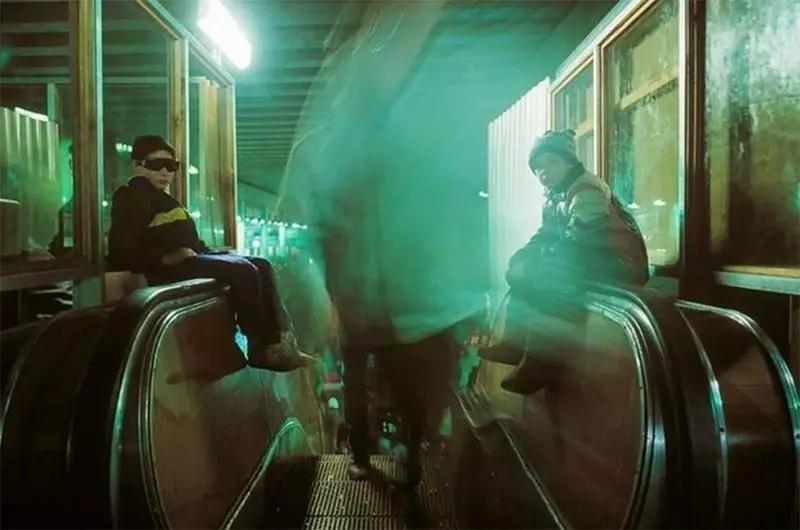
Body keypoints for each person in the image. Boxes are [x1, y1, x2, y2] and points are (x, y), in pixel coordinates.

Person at [107, 135, 314, 372]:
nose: (165, 172)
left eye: (171, 166)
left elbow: (185, 239)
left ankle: (279, 343)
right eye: (156, 165)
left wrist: (212, 253)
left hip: (187, 259)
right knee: (244, 271)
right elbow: (124, 246)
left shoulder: (161, 198)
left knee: (261, 264)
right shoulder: (133, 195)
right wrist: (165, 259)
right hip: (169, 268)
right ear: (136, 165)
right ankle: (260, 348)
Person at [480, 129, 649, 394]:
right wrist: (523, 257)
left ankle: (543, 363)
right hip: (592, 257)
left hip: (620, 263)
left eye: (551, 162)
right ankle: (514, 345)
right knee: (523, 272)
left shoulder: (586, 189)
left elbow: (581, 238)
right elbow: (545, 234)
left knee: (551, 277)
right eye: (538, 167)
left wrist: (538, 265)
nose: (543, 171)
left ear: (570, 162)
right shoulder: (555, 195)